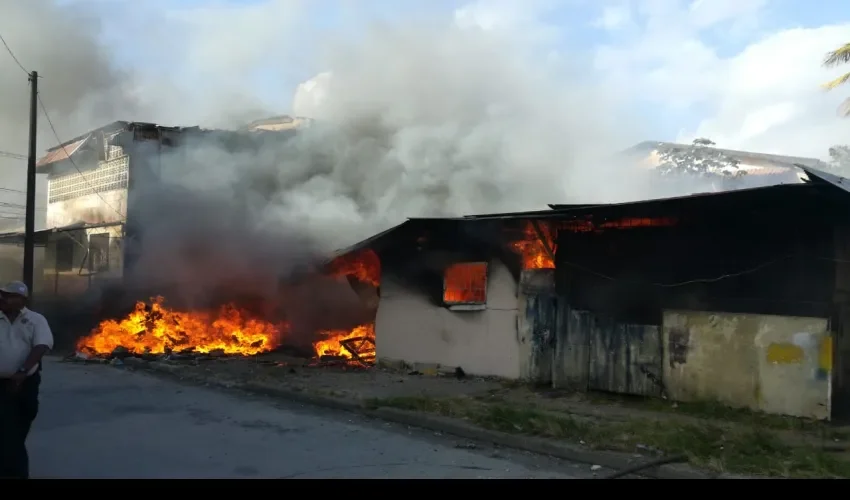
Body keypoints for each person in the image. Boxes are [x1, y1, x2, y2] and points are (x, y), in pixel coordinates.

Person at [0, 281, 53, 479]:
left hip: (25, 384)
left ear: (22, 300)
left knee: (17, 428)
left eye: (8, 295)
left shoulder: (35, 320)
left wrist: (22, 372)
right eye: (1, 294)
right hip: (2, 384)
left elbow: (41, 346)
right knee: (8, 434)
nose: (2, 299)